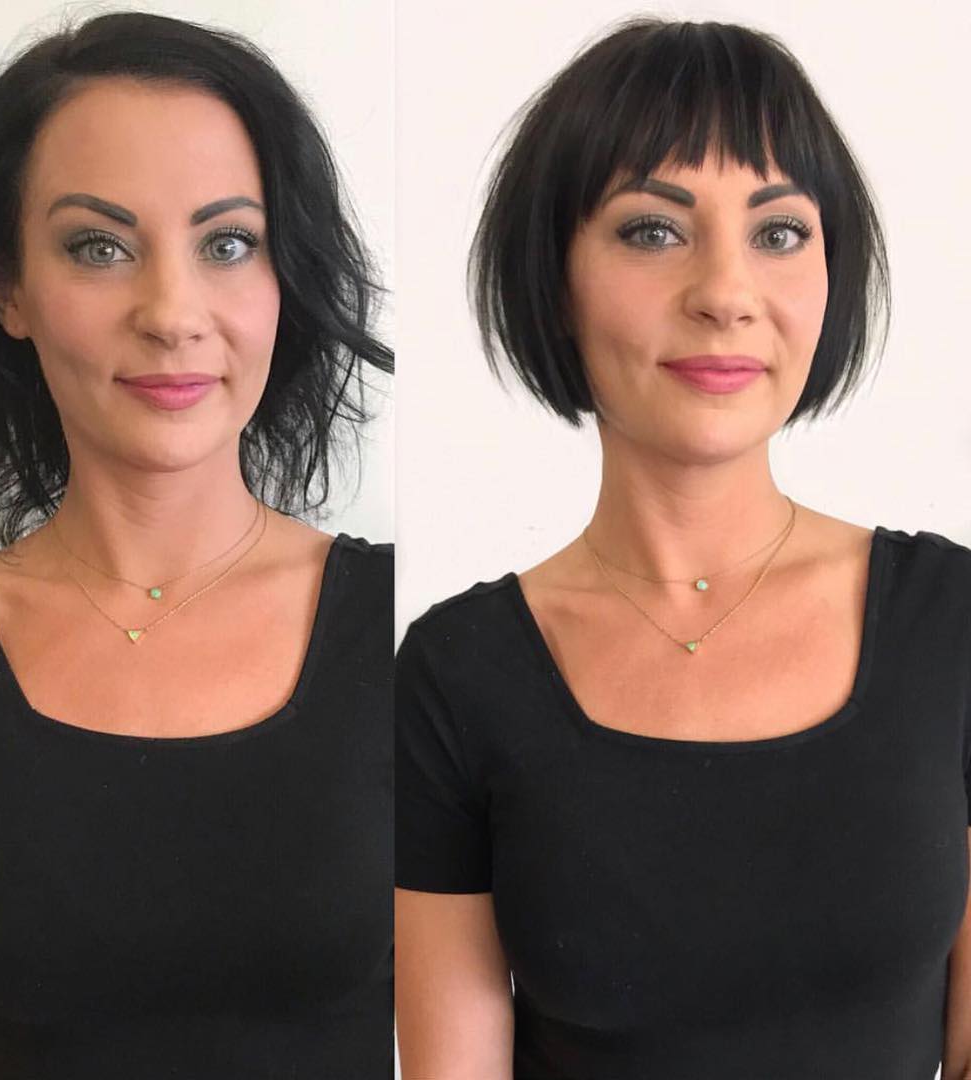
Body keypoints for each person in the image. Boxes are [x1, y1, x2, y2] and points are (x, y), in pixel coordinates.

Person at [395, 17, 971, 1079]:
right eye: (654, 230)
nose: (725, 293)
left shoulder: (954, 622)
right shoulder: (455, 676)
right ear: (554, 282)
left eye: (779, 232)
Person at [0, 11, 392, 1078]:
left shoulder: (415, 636)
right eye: (99, 247)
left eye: (228, 244)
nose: (172, 313)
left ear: (286, 278)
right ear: (7, 288)